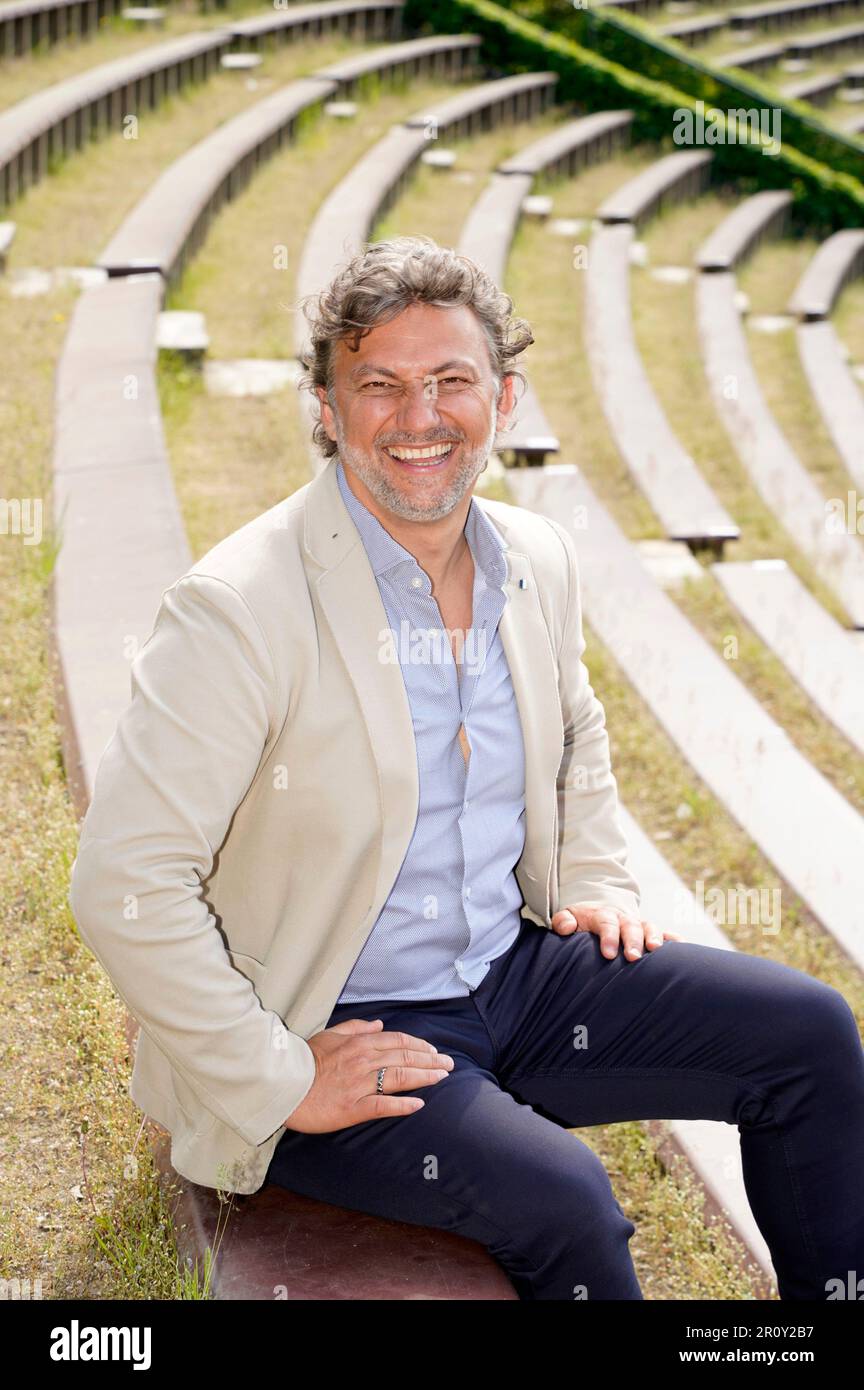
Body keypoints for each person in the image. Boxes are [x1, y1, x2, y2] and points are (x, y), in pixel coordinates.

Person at [69, 235, 864, 1300]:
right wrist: (283, 1076)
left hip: (516, 977)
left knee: (810, 1037)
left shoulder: (535, 558)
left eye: (452, 381)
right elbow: (123, 882)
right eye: (379, 385)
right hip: (339, 1019)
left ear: (506, 397)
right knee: (572, 1205)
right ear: (325, 406)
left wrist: (592, 883)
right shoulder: (239, 609)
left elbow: (575, 734)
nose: (419, 417)